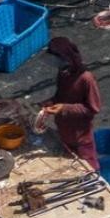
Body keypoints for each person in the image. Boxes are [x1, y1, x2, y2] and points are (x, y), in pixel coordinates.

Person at [40, 37, 101, 171]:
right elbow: (60, 96)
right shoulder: (64, 73)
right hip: (64, 131)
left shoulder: (86, 78)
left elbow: (93, 108)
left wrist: (64, 108)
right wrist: (49, 103)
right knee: (72, 167)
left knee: (89, 168)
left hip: (80, 136)